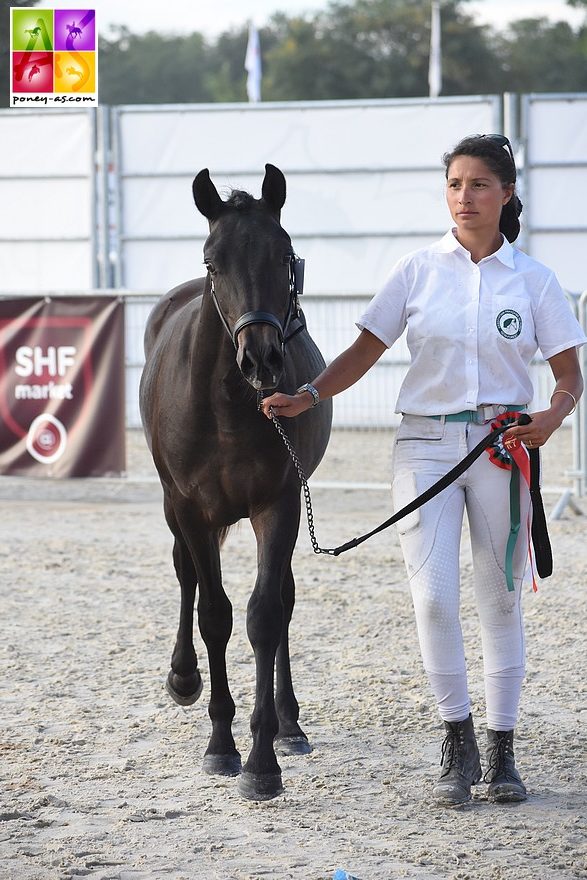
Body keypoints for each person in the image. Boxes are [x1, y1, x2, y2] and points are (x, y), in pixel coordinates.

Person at [261, 134, 586, 807]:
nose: (463, 197)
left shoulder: (535, 280)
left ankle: (501, 750)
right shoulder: (415, 271)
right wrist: (310, 395)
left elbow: (567, 376)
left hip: (502, 449)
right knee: (432, 598)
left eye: (477, 185)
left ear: (506, 194)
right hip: (424, 447)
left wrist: (552, 416)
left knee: (499, 602)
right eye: (454, 185)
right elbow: (361, 351)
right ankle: (455, 738)